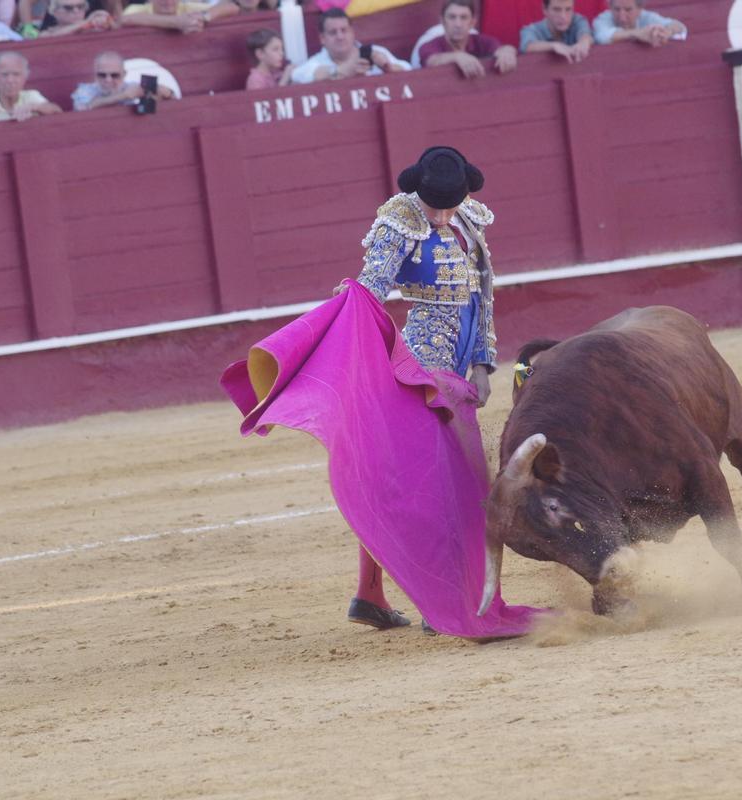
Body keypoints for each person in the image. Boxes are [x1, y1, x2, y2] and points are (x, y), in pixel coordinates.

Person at [329, 146, 497, 629]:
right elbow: (370, 287)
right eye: (435, 205)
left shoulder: (468, 218)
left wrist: (484, 362)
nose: (442, 214)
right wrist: (341, 319)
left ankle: (370, 595)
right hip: (423, 359)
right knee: (436, 481)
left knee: (431, 477)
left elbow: (483, 291)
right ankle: (439, 598)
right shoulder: (399, 220)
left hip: (462, 358)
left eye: (450, 203)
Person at [289, 7, 410, 83]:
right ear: (322, 38)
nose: (340, 36)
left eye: (344, 30)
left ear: (352, 32)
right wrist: (340, 71)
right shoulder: (316, 62)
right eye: (333, 32)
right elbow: (297, 76)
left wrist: (388, 68)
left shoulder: (375, 52)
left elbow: (409, 69)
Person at [419, 0, 515, 79]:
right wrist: (457, 56)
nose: (458, 24)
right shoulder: (429, 45)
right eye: (452, 17)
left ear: (472, 22)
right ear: (442, 21)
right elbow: (431, 61)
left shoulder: (481, 41)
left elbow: (502, 48)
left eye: (464, 18)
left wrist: (507, 51)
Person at [71, 50, 175, 110]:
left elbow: (173, 101)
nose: (108, 80)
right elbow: (83, 110)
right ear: (95, 75)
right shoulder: (84, 90)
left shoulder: (132, 86)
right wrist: (124, 95)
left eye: (114, 75)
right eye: (102, 75)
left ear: (124, 74)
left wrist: (165, 92)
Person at [519, 0, 592, 63]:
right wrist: (553, 46)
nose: (563, 16)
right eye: (557, 10)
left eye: (568, 9)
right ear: (545, 9)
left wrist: (584, 42)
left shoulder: (577, 20)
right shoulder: (532, 30)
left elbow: (585, 33)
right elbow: (526, 46)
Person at [592, 0, 685, 46]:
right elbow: (601, 36)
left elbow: (679, 26)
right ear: (610, 8)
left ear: (640, 9)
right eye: (617, 9)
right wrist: (637, 33)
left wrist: (666, 32)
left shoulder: (646, 16)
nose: (622, 16)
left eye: (628, 10)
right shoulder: (604, 18)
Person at [119, 0, 233, 33]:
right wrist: (176, 22)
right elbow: (125, 19)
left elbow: (231, 6)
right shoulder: (138, 8)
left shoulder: (186, 7)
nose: (168, 1)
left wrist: (204, 16)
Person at [38, 0, 113, 36]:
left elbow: (113, 24)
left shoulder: (93, 27)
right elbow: (52, 36)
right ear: (54, 11)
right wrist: (86, 22)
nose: (76, 11)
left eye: (81, 6)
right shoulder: (47, 33)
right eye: (68, 8)